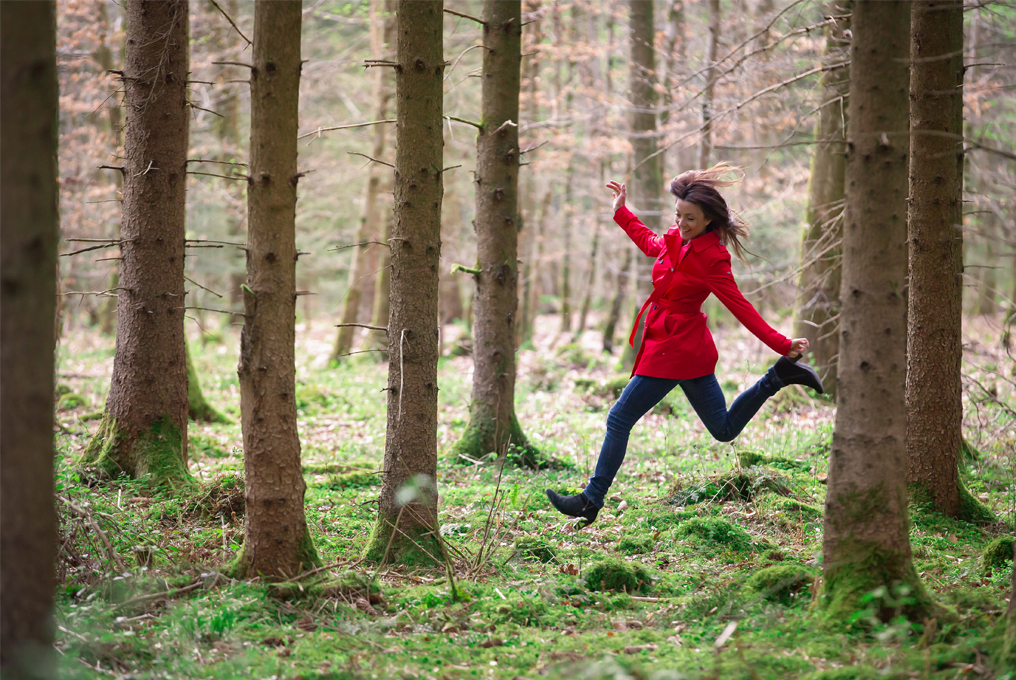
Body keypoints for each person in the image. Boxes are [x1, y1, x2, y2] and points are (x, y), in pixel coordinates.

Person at [546, 163, 824, 528]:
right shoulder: (676, 240)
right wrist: (622, 214)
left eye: (690, 218)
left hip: (674, 351)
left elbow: (740, 306)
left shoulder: (713, 258)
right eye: (678, 215)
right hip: (679, 347)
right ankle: (778, 378)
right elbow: (651, 244)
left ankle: (590, 500)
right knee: (723, 430)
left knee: (619, 418)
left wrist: (781, 342)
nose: (681, 223)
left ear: (709, 220)